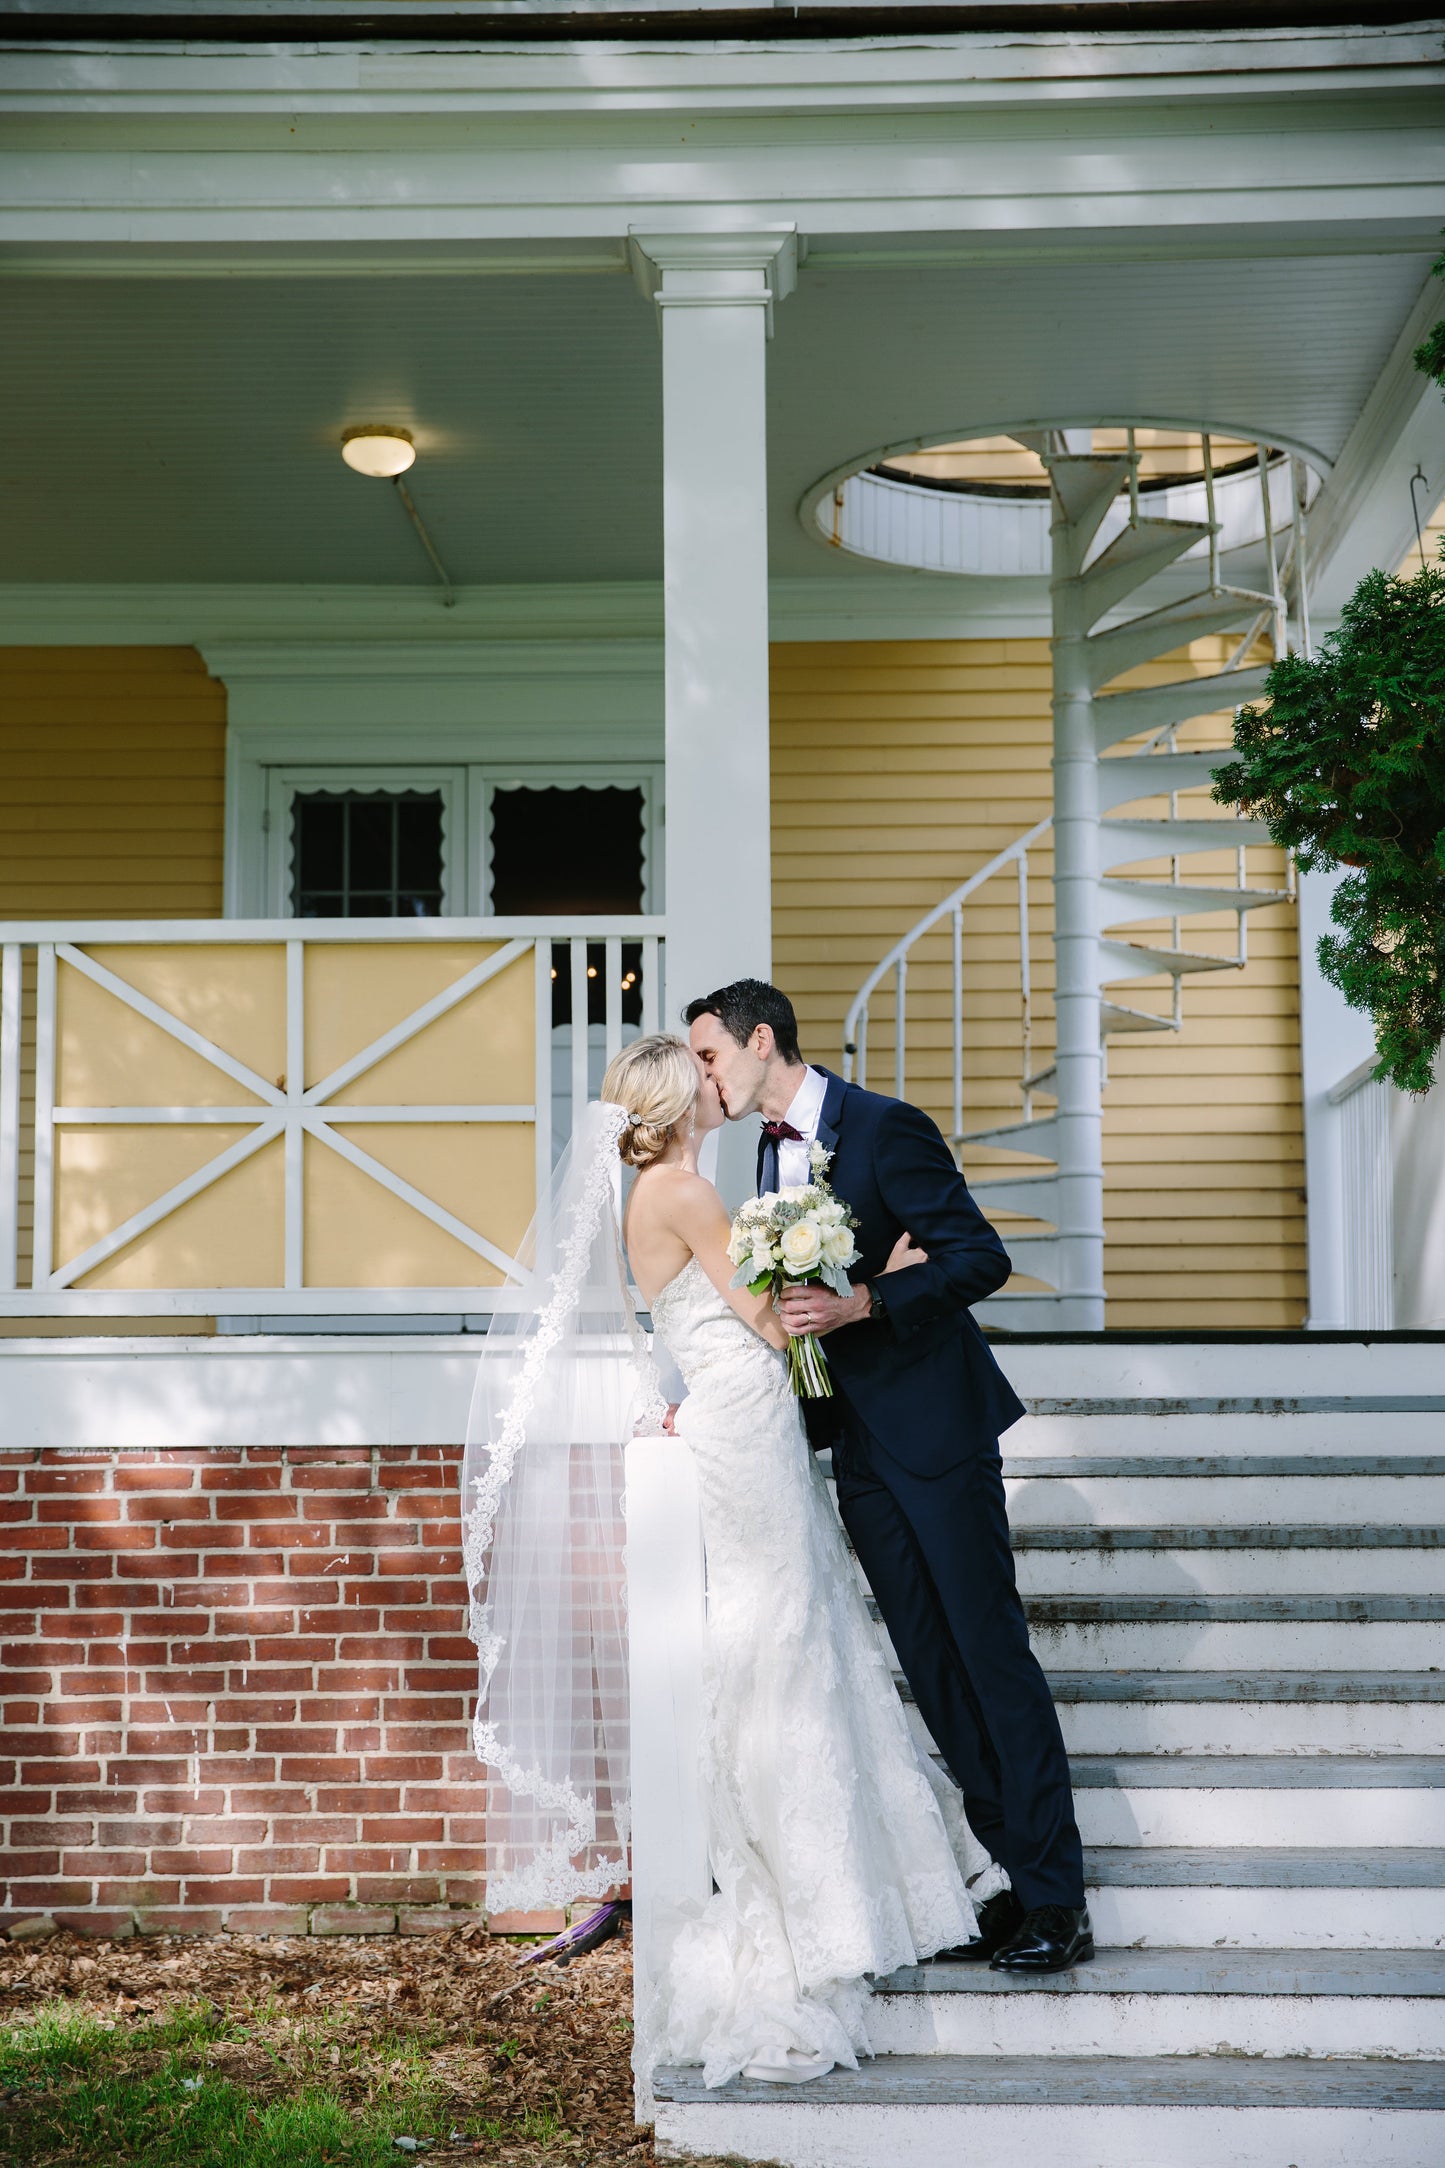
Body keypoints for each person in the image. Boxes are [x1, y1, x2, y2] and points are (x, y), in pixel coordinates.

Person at [609, 1033, 1008, 2087]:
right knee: (781, 1625)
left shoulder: (662, 1188)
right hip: (743, 1421)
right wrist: (882, 1274)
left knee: (800, 1617)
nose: (715, 1081)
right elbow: (771, 1324)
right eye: (697, 1073)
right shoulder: (686, 1191)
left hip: (741, 1417)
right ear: (674, 1097)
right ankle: (808, 1889)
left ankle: (857, 1865)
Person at [685, 978, 1091, 1976]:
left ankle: (1058, 1900)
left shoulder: (882, 1127)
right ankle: (1005, 1875)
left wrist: (867, 1295)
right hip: (856, 1447)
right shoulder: (760, 1151)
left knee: (989, 1658)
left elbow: (977, 1258)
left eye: (708, 1055)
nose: (703, 1075)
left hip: (938, 1431)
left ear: (760, 1040)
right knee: (932, 1669)